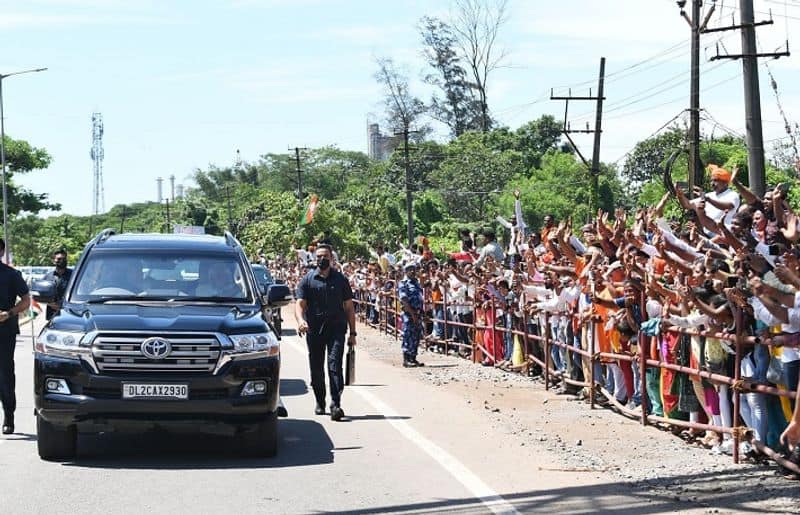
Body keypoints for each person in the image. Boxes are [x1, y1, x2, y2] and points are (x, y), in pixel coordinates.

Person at [295, 244, 357, 421]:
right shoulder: (307, 280)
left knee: (334, 365)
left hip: (336, 328)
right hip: (314, 330)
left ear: (332, 258)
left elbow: (349, 308)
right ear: (315, 259)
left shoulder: (340, 280)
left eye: (325, 256)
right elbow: (300, 305)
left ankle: (335, 404)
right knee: (316, 368)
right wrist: (301, 321)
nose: (322, 259)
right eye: (319, 256)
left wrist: (353, 333)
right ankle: (320, 401)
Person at [0, 238, 31, 434]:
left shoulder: (11, 275)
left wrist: (9, 313)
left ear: (1, 251)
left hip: (5, 331)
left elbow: (26, 300)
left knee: (4, 375)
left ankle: (9, 415)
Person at [398, 262, 425, 367]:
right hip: (408, 313)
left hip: (417, 313)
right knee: (408, 335)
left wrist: (421, 313)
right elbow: (404, 300)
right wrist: (412, 314)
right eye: (410, 269)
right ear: (406, 271)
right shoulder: (403, 283)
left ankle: (413, 358)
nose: (413, 271)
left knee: (416, 335)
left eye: (414, 269)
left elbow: (420, 298)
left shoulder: (416, 283)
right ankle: (406, 359)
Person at [43, 249, 72, 320]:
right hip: (52, 315)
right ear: (53, 261)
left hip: (70, 313)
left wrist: (63, 305)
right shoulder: (48, 277)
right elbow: (42, 295)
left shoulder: (74, 275)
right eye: (59, 259)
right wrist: (52, 304)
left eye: (64, 259)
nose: (62, 261)